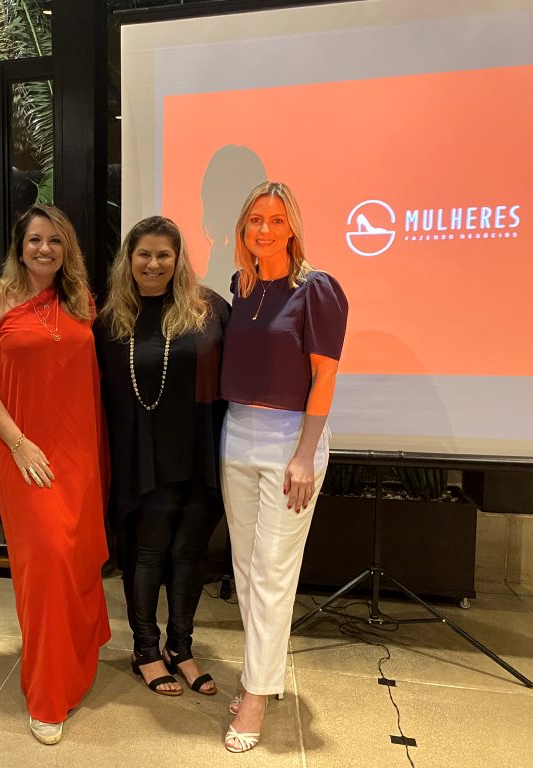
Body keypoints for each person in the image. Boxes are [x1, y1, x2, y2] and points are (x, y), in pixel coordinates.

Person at [0, 204, 110, 745]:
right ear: (19, 246)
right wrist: (18, 442)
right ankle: (47, 694)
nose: (44, 248)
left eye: (55, 240)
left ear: (67, 247)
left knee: (73, 559)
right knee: (46, 561)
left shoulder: (81, 301)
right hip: (23, 449)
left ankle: (72, 663)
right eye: (35, 239)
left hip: (79, 451)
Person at [220, 182, 348, 753]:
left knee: (273, 571)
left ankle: (255, 695)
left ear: (292, 227)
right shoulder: (241, 285)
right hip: (237, 433)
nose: (264, 230)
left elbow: (325, 374)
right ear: (243, 228)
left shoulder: (317, 289)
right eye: (255, 220)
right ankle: (261, 675)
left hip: (291, 439)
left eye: (276, 220)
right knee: (247, 569)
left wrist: (304, 453)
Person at [95, 215, 228, 699]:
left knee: (190, 555)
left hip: (198, 452)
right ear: (129, 260)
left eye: (163, 255)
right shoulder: (109, 321)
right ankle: (146, 650)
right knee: (147, 554)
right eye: (144, 254)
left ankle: (181, 648)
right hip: (143, 459)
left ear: (178, 259)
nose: (153, 264)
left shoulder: (209, 310)